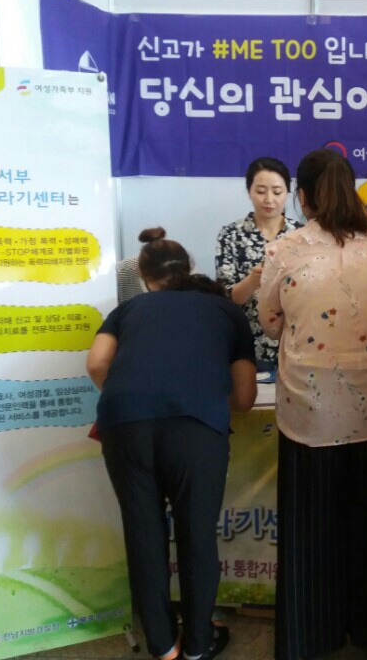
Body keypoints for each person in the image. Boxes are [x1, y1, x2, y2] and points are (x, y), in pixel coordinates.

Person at [258, 149, 367, 660]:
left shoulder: (285, 250)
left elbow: (271, 324)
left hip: (311, 414)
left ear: (301, 197)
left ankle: (311, 637)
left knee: (312, 534)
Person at [87, 227, 257, 660]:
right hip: (195, 427)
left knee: (143, 533)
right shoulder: (225, 310)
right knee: (197, 533)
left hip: (124, 423)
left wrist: (133, 395)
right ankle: (197, 645)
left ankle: (163, 647)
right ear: (190, 267)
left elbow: (96, 363)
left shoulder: (128, 310)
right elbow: (244, 398)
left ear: (144, 277)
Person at [216, 157, 302, 370]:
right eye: (261, 191)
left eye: (277, 191)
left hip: (296, 343)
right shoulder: (230, 235)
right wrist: (253, 281)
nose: (269, 199)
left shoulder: (301, 235)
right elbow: (227, 298)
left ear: (287, 192)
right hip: (248, 344)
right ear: (249, 192)